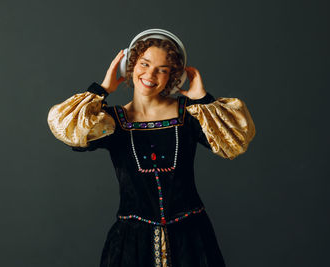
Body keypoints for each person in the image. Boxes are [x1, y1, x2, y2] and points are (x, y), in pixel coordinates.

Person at [47, 37, 256, 267]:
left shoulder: (189, 114)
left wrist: (203, 100)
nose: (150, 75)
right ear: (131, 65)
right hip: (131, 246)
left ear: (172, 76)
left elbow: (236, 140)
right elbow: (65, 128)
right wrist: (102, 90)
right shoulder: (112, 121)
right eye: (144, 64)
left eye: (162, 70)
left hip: (192, 243)